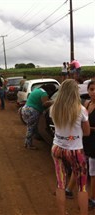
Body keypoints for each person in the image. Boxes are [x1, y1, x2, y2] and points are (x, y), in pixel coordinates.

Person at [50, 79, 90, 215]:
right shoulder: (81, 110)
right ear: (75, 92)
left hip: (57, 148)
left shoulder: (54, 108)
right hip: (75, 151)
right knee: (82, 187)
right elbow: (87, 132)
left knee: (60, 183)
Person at [64, 80, 95, 208]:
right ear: (87, 91)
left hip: (94, 144)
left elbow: (85, 125)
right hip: (84, 142)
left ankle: (92, 199)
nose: (94, 92)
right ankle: (68, 190)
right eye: (91, 89)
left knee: (93, 173)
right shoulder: (87, 104)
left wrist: (87, 128)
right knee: (77, 166)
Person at [21, 84, 56, 149]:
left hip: (26, 109)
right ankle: (28, 144)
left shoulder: (37, 90)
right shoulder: (44, 93)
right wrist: (53, 102)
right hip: (33, 111)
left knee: (31, 127)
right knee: (31, 127)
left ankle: (28, 142)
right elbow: (45, 104)